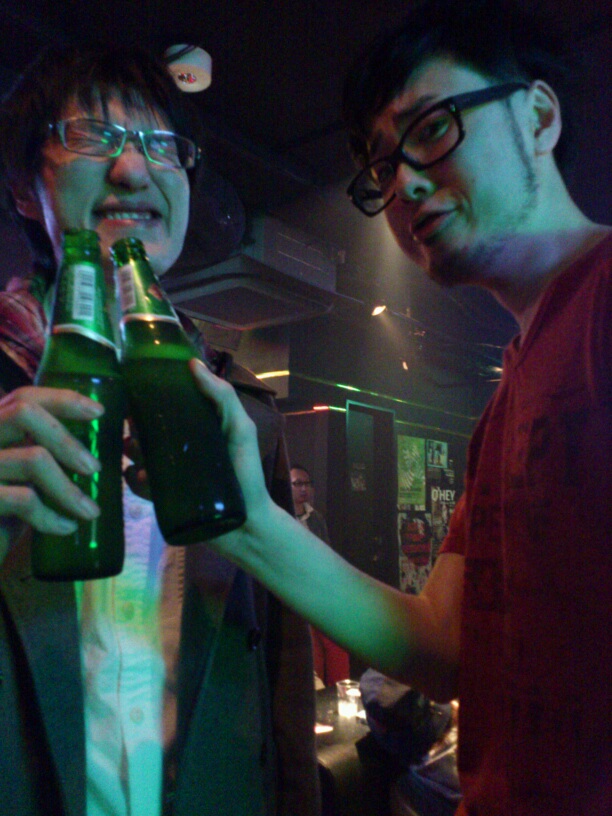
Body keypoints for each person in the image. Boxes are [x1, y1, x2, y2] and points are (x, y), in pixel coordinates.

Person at [186, 2, 611, 814]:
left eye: (434, 127)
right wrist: (245, 520)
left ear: (539, 116)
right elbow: (446, 648)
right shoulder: (509, 396)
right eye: (382, 166)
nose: (404, 182)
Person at [0, 44, 320, 816]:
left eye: (161, 145)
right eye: (92, 136)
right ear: (22, 190)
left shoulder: (239, 411)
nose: (133, 169)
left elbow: (280, 672)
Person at [290, 465, 350, 687]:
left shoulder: (315, 518)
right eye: (297, 483)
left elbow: (327, 552)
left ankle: (338, 689)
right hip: (294, 590)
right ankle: (319, 692)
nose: (303, 488)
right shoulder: (281, 517)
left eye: (306, 483)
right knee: (311, 646)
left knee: (337, 640)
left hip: (319, 587)